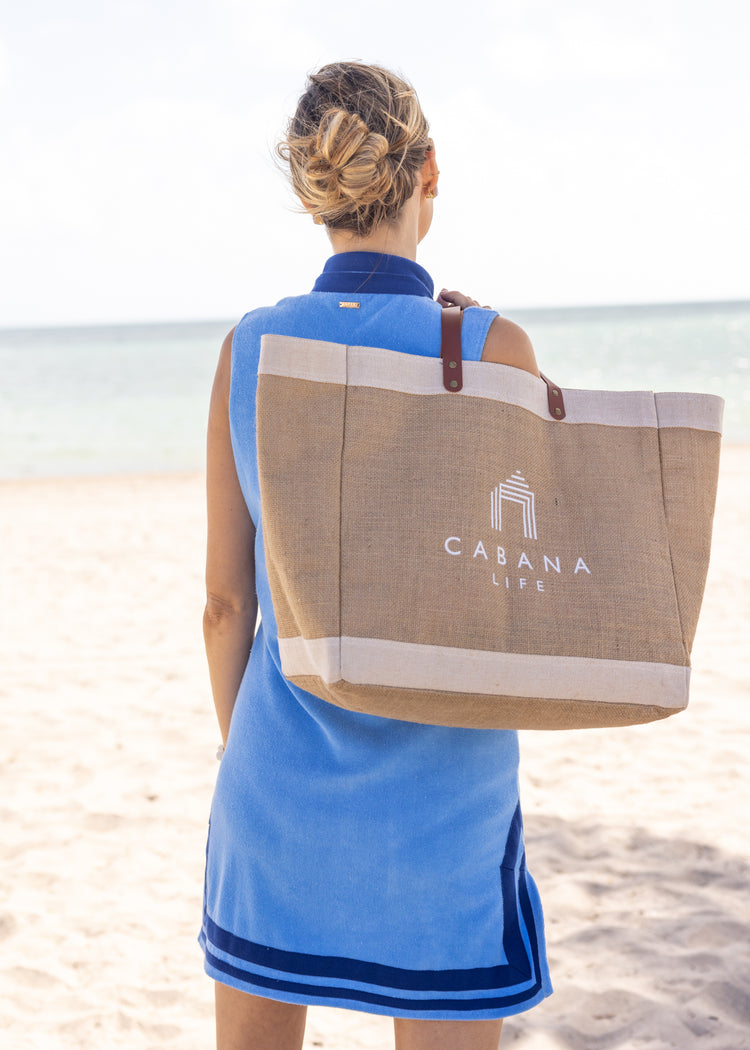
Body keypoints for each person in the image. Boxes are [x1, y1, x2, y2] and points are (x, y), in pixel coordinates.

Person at [201, 61, 552, 1050]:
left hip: (278, 791)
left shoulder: (251, 348)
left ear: (313, 190)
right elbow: (524, 605)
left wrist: (253, 756)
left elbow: (226, 607)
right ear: (428, 171)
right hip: (443, 802)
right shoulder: (495, 348)